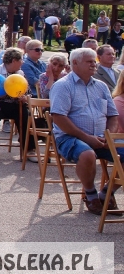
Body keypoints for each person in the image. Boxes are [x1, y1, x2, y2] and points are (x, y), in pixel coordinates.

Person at [50, 48, 124, 214]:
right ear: (75, 63)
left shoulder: (101, 86)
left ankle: (106, 193)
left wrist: (109, 136)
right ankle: (90, 196)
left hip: (101, 138)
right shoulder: (63, 86)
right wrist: (86, 138)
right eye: (89, 61)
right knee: (87, 153)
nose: (94, 64)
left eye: (94, 61)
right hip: (70, 137)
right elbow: (59, 118)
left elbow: (113, 115)